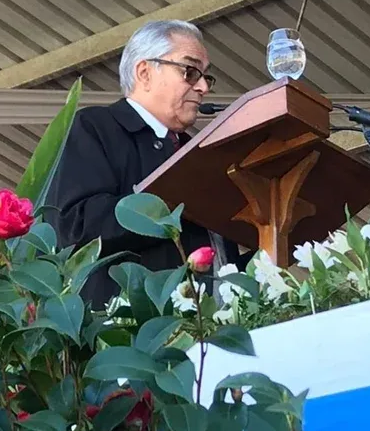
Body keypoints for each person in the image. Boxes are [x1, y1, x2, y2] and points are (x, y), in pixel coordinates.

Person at [46, 20, 246, 308]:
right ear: (145, 73)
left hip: (216, 322)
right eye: (190, 72)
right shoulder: (98, 127)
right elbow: (75, 227)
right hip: (136, 324)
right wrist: (173, 197)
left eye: (206, 77)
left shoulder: (197, 151)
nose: (203, 87)